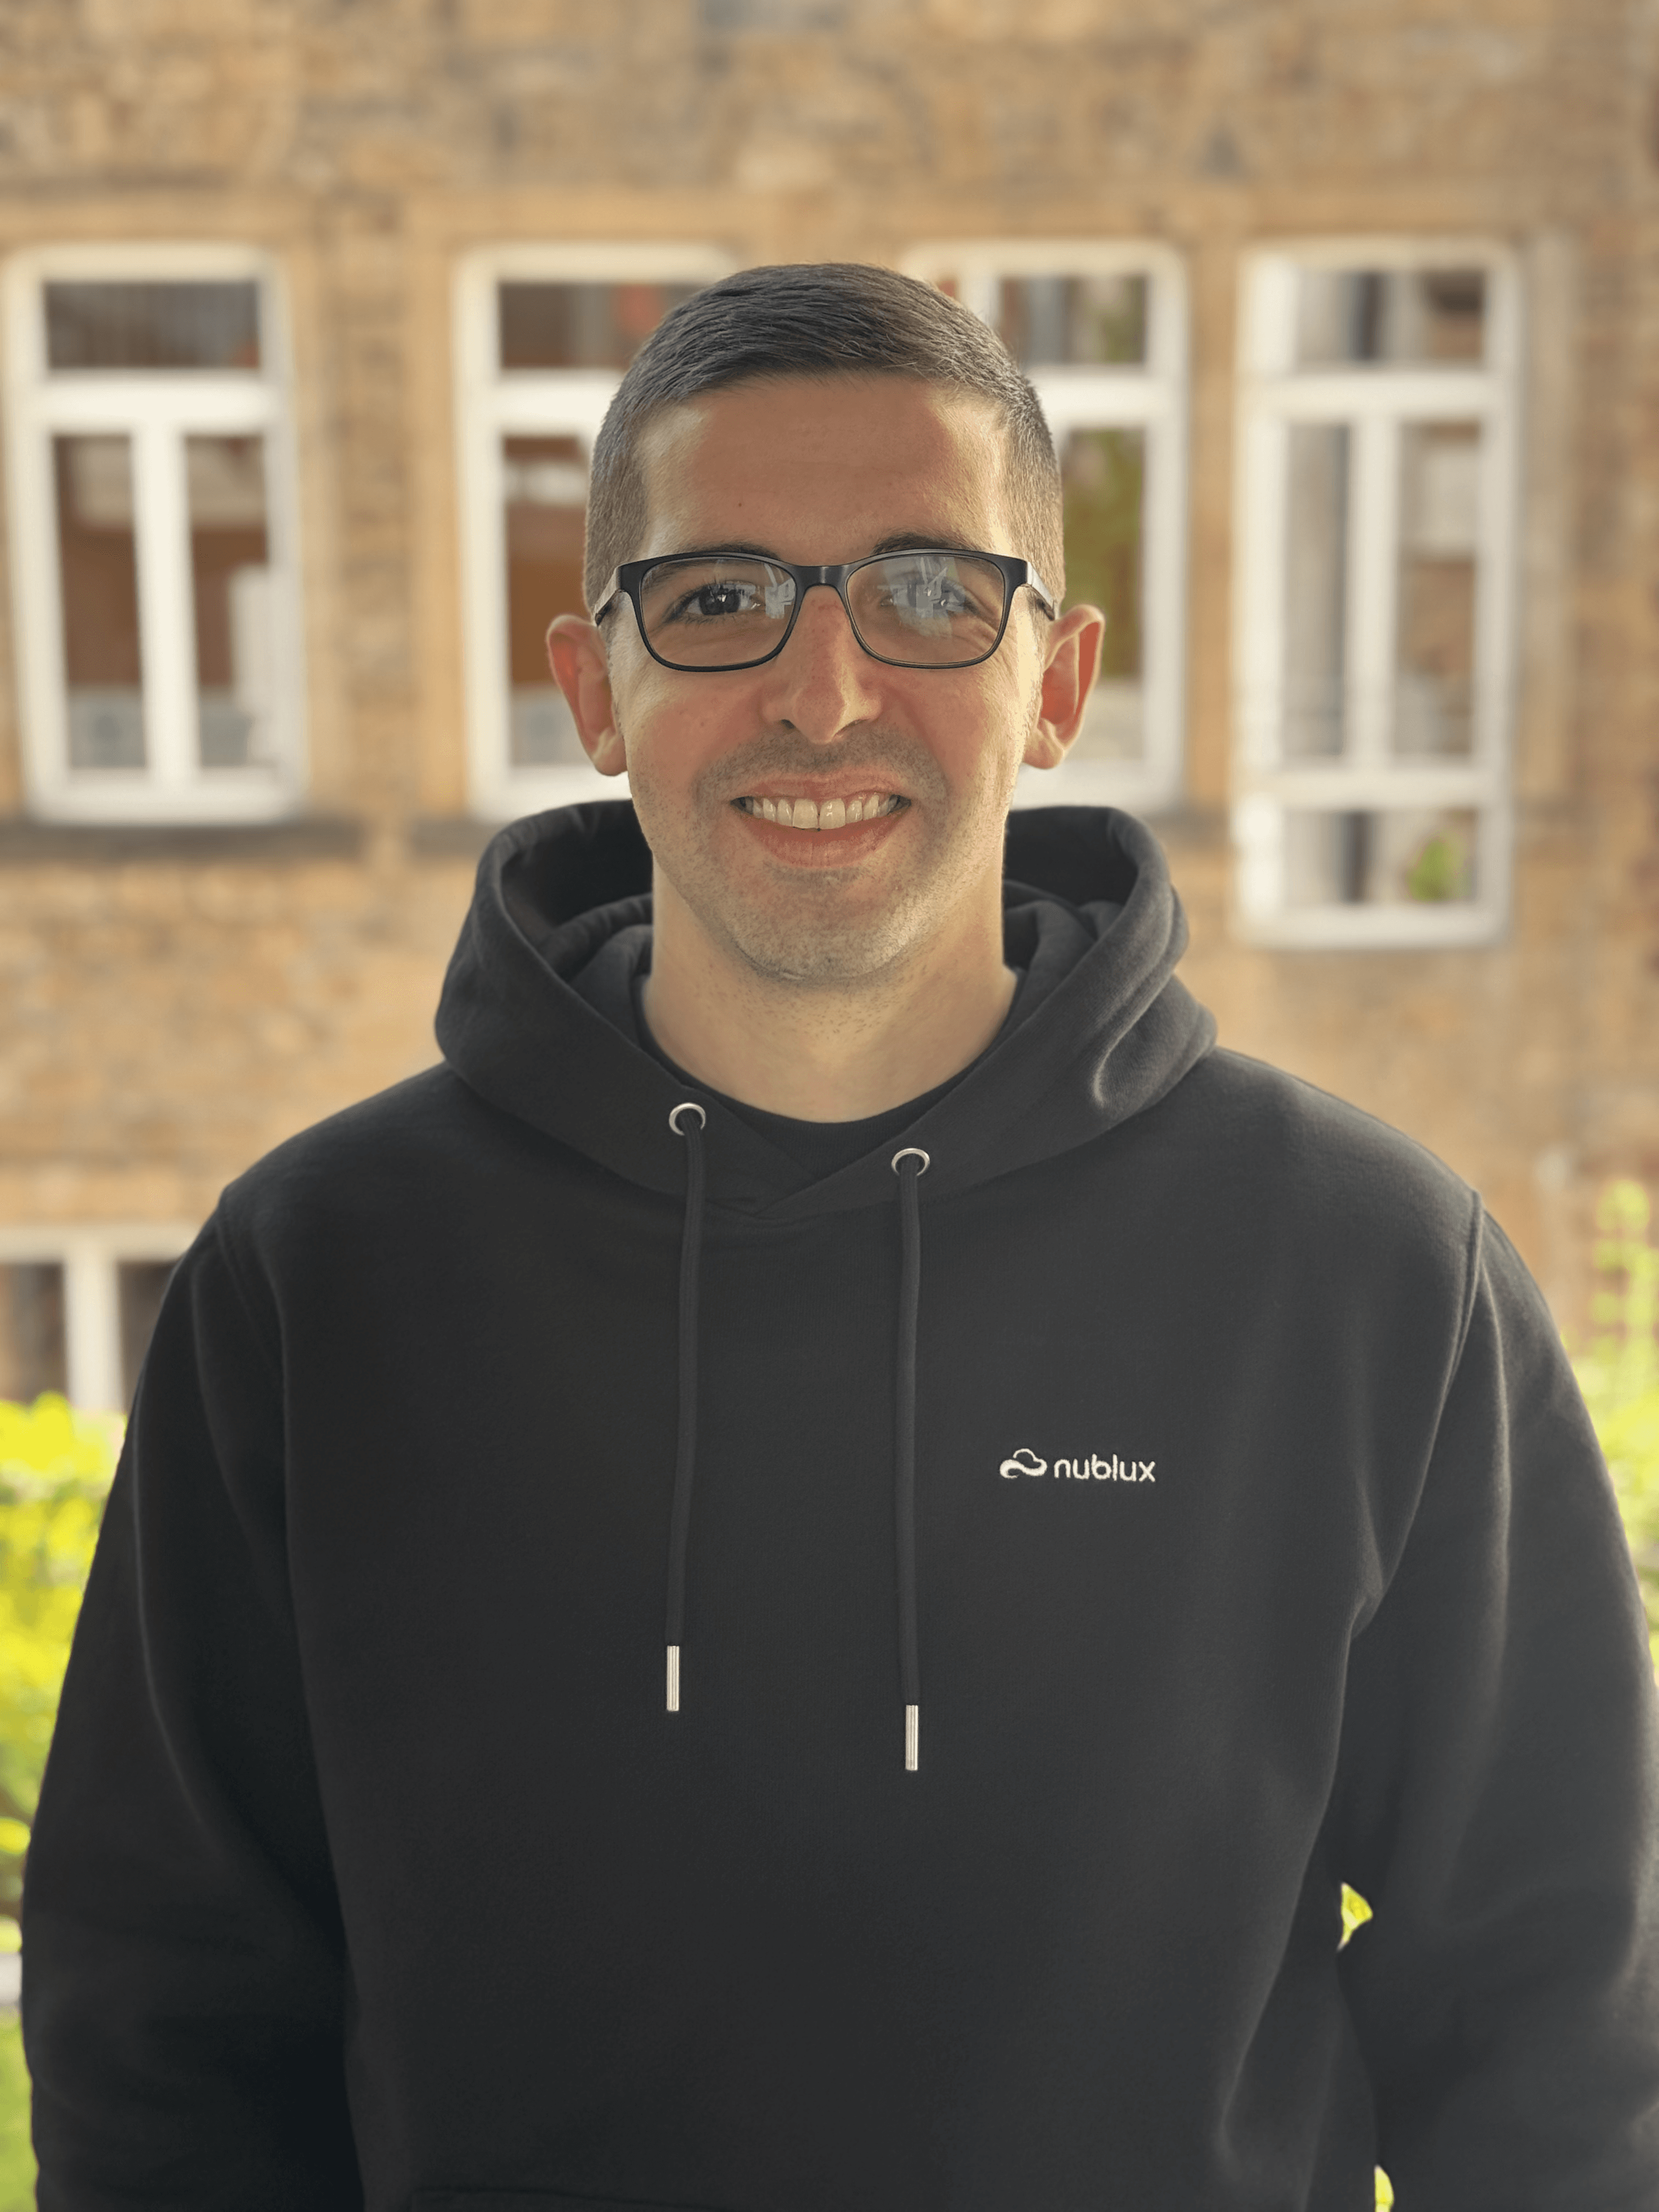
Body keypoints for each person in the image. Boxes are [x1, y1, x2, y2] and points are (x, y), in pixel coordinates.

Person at [22, 263, 1659, 2211]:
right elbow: (164, 2036)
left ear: (1058, 683)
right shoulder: (321, 1282)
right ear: (594, 692)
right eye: (719, 598)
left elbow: (1566, 2046)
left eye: (929, 592)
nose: (823, 691)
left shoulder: (1371, 1279)